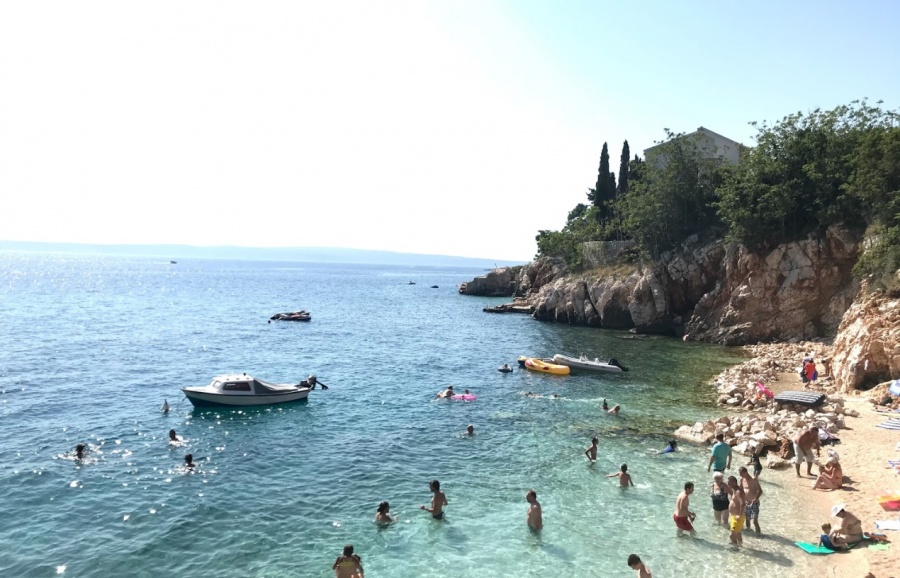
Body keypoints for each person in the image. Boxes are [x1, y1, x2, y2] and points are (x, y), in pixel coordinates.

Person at [739, 466, 763, 534]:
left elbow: (760, 491)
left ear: (746, 472)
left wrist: (755, 499)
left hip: (754, 503)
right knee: (747, 519)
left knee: (755, 520)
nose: (740, 475)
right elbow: (740, 490)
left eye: (741, 473)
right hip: (746, 502)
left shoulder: (753, 479)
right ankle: (749, 531)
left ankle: (759, 534)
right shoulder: (742, 480)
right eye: (740, 474)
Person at [727, 476, 745, 547]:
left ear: (734, 482)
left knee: (732, 536)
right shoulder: (734, 490)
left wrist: (739, 515)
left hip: (737, 517)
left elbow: (742, 503)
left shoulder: (738, 492)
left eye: (729, 482)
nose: (728, 484)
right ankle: (740, 546)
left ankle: (735, 549)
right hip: (734, 516)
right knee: (738, 533)